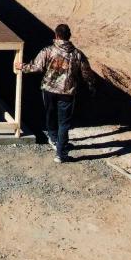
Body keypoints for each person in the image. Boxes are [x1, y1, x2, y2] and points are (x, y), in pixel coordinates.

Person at [15, 23, 96, 163]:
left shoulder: (48, 50)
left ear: (56, 35)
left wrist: (22, 66)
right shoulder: (78, 54)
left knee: (50, 115)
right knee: (64, 123)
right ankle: (61, 153)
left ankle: (53, 139)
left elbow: (36, 67)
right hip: (67, 92)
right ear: (69, 36)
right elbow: (87, 73)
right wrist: (91, 86)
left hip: (48, 90)